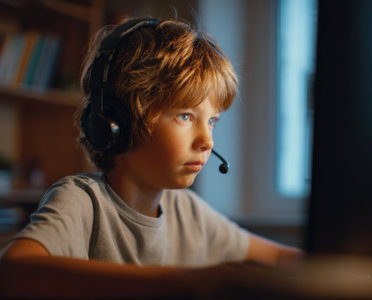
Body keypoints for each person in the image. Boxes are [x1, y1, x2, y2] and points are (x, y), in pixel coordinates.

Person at [0, 17, 303, 298]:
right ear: (118, 122)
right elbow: (13, 271)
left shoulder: (187, 212)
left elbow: (278, 257)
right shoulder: (83, 202)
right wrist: (182, 282)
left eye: (212, 121)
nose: (207, 141)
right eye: (185, 116)